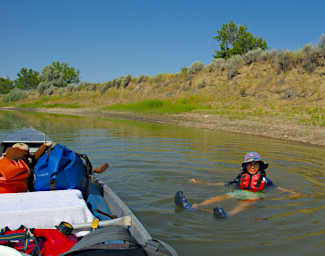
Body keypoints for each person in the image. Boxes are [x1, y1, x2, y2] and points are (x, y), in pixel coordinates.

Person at [174, 152, 299, 218]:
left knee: (243, 204)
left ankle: (227, 215)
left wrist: (291, 193)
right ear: (245, 167)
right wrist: (200, 182)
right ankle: (193, 206)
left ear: (260, 166)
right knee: (221, 197)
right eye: (250, 164)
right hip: (239, 192)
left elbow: (276, 187)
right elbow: (223, 184)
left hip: (254, 195)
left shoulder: (264, 179)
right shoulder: (240, 178)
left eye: (255, 164)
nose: (252, 166)